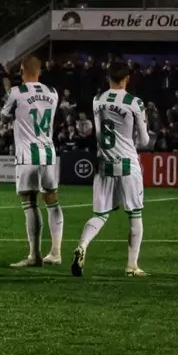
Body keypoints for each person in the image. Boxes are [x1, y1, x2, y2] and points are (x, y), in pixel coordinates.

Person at [72, 62, 149, 278]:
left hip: (103, 163)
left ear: (109, 78)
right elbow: (143, 140)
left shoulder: (98, 99)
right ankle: (132, 266)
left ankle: (82, 246)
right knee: (135, 214)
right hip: (127, 162)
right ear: (127, 78)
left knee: (101, 214)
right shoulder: (134, 102)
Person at [0, 56, 64, 267]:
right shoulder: (53, 92)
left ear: (21, 70)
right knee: (52, 200)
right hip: (48, 152)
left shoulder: (16, 93)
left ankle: (34, 255)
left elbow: (4, 118)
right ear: (40, 72)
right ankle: (55, 252)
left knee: (29, 202)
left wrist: (8, 95)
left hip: (27, 154)